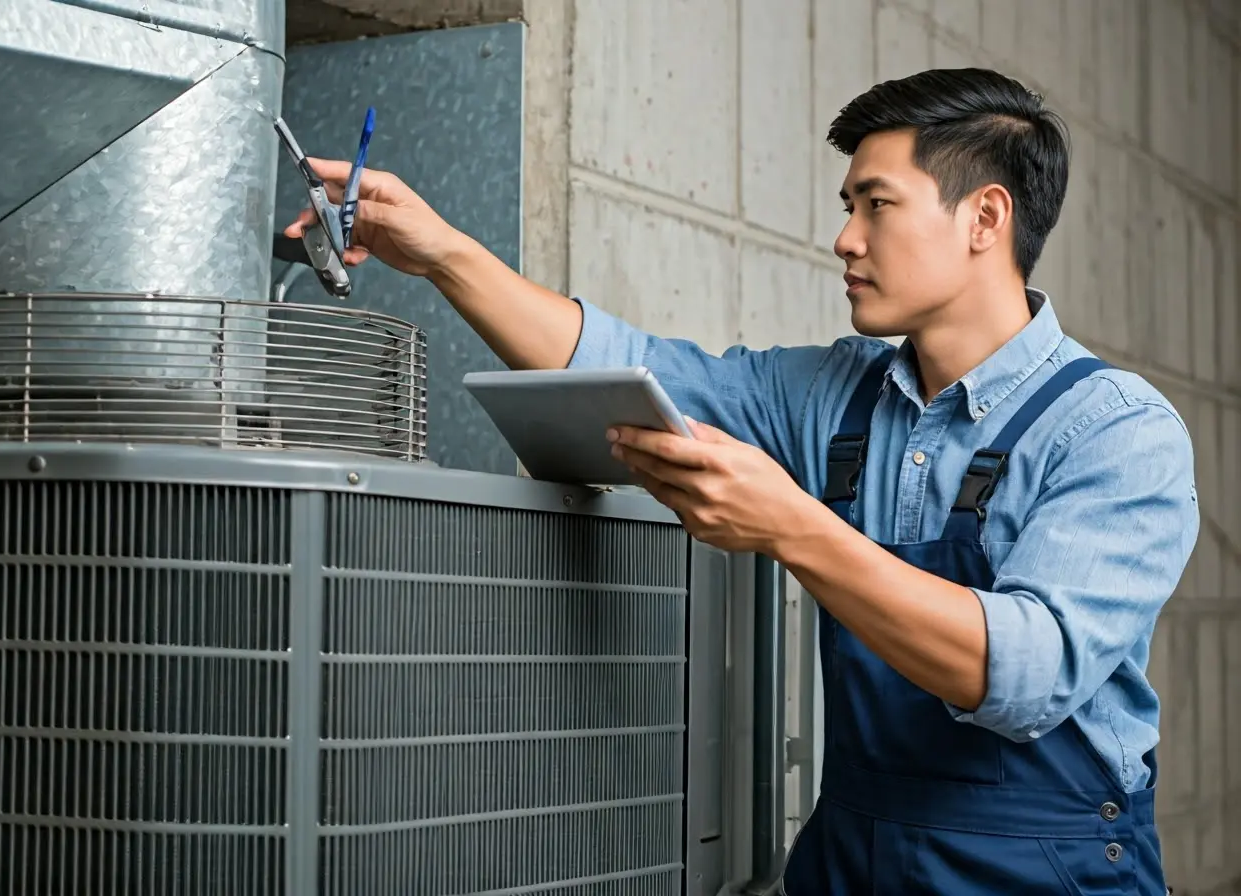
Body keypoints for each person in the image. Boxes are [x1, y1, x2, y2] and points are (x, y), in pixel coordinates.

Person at [285, 67, 1196, 895]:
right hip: (852, 859)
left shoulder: (1116, 431)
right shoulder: (834, 396)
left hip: (1043, 870)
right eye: (848, 205)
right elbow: (616, 362)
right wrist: (439, 249)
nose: (845, 239)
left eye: (876, 205)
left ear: (985, 220)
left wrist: (790, 524)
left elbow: (1023, 672)